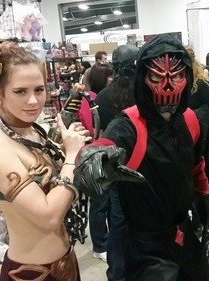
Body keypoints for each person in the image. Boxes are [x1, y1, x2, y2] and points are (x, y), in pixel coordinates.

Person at [74, 34, 209, 281]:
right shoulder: (130, 124)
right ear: (143, 77)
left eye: (176, 77)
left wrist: (207, 222)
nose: (168, 86)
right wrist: (92, 157)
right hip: (144, 249)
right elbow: (108, 141)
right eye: (157, 77)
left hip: (184, 237)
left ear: (186, 77)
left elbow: (198, 174)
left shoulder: (190, 120)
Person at [0, 42, 91, 280]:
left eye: (39, 90)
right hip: (29, 274)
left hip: (67, 262)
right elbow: (48, 216)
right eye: (20, 91)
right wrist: (71, 156)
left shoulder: (35, 133)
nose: (33, 101)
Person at [95, 44, 139, 281]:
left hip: (114, 165)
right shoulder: (144, 92)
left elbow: (101, 133)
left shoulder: (102, 96)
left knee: (118, 221)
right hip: (145, 163)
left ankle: (117, 273)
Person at [185, 45, 209, 212]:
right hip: (184, 144)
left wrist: (195, 121)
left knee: (205, 186)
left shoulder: (200, 84)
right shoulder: (178, 84)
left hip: (203, 143)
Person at [81, 59, 113, 262]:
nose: (113, 79)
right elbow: (93, 130)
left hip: (106, 153)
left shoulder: (102, 97)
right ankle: (100, 245)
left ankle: (107, 241)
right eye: (109, 75)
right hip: (95, 154)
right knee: (100, 202)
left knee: (108, 200)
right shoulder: (90, 100)